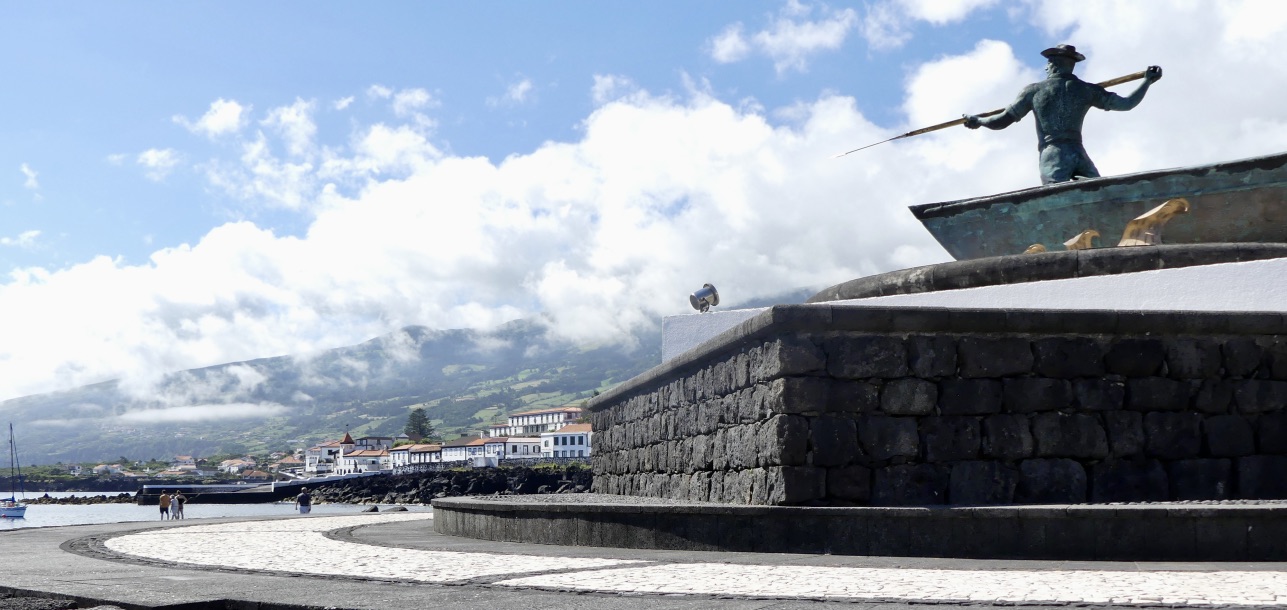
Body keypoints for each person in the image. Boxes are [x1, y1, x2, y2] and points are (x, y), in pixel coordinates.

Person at [964, 44, 1163, 184]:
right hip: (1078, 153)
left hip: (1053, 154)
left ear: (1053, 64)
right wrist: (1147, 81)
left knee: (1054, 198)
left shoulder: (1034, 91)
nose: (1045, 67)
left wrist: (979, 120)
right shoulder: (1087, 90)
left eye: (1048, 63)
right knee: (1099, 192)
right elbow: (1127, 104)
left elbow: (1002, 121)